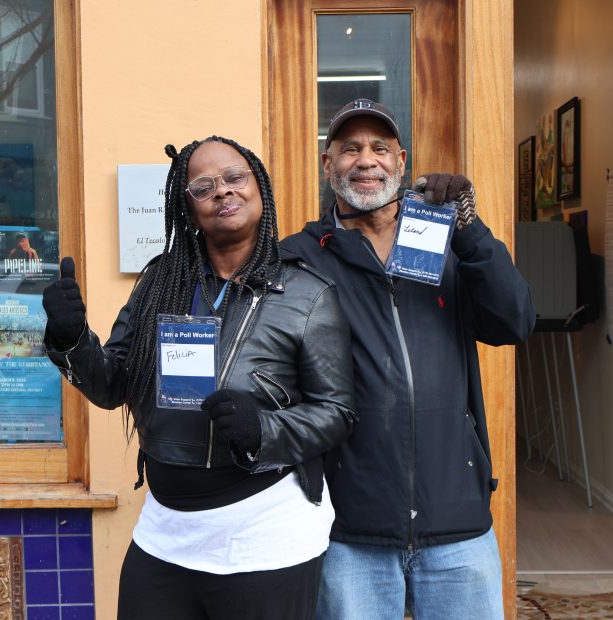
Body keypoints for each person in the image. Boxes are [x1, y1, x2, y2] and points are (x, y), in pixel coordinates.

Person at [42, 136, 356, 619]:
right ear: (186, 208)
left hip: (264, 531)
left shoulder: (308, 294)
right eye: (203, 186)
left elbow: (337, 411)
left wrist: (265, 430)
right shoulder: (161, 281)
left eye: (235, 177)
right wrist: (70, 338)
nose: (222, 192)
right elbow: (110, 386)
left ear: (259, 188)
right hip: (166, 529)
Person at [281, 99, 536, 619]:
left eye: (379, 148)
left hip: (456, 520)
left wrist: (469, 229)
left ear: (401, 161)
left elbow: (515, 320)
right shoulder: (299, 257)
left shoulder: (448, 245)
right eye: (349, 149)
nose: (365, 160)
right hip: (351, 526)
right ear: (327, 166)